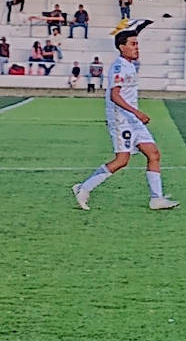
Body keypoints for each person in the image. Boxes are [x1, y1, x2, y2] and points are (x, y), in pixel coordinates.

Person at [72, 19, 179, 211]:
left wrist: (139, 28)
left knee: (153, 154)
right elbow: (114, 95)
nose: (137, 48)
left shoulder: (130, 65)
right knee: (122, 160)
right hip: (122, 120)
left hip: (132, 119)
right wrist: (137, 112)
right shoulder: (119, 67)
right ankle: (83, 188)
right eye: (133, 44)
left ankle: (157, 199)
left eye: (137, 44)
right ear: (122, 48)